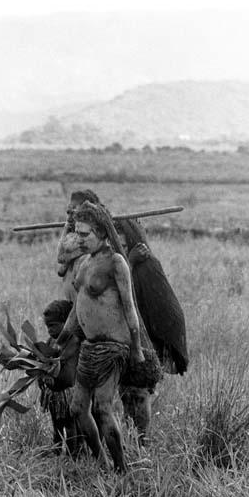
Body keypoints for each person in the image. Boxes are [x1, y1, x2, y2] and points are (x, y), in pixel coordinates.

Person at [55, 202, 155, 473]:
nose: (80, 240)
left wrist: (136, 349)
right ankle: (102, 461)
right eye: (78, 233)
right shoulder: (84, 262)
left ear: (101, 232)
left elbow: (129, 308)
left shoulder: (116, 262)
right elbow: (79, 308)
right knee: (77, 409)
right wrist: (61, 341)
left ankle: (121, 468)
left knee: (103, 407)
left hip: (113, 347)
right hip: (89, 347)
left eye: (85, 234)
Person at [114, 218, 188, 375]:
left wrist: (130, 263)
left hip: (146, 333)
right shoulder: (112, 263)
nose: (122, 251)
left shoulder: (148, 265)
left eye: (125, 246)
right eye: (118, 247)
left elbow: (127, 294)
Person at [38, 299, 82, 456]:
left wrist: (51, 360)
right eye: (47, 326)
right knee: (56, 423)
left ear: (67, 322)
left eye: (52, 325)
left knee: (71, 425)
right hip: (54, 393)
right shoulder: (51, 340)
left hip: (68, 391)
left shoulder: (73, 341)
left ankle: (73, 453)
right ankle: (56, 450)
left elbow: (61, 361)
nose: (49, 330)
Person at [57, 189, 101, 302]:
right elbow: (61, 257)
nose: (69, 215)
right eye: (68, 212)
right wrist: (67, 226)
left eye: (72, 211)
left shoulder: (88, 235)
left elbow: (61, 257)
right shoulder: (74, 232)